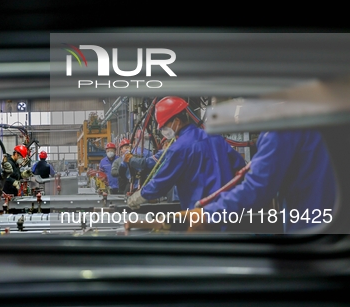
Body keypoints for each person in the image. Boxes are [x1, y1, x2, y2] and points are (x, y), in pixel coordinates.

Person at [200, 130, 337, 233]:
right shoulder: (327, 115)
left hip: (311, 229)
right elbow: (239, 162)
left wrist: (209, 214)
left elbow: (256, 188)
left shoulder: (281, 128)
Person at [127, 96, 246, 210]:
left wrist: (139, 196)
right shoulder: (215, 138)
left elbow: (162, 182)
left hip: (201, 216)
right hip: (229, 209)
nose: (163, 130)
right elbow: (240, 166)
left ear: (177, 120)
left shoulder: (179, 148)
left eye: (164, 126)